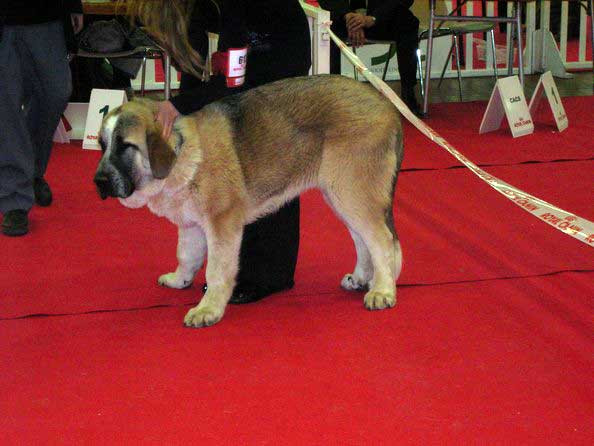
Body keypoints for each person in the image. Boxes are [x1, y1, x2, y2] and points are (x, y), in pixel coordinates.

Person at [126, 0, 311, 304]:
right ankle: (242, 266)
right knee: (240, 157)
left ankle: (269, 273)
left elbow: (231, 81)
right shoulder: (190, 8)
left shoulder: (230, 5)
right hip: (250, 41)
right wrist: (185, 111)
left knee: (267, 154)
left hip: (280, 51)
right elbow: (193, 69)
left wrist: (180, 107)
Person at [1, 0, 83, 236]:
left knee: (56, 92)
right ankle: (14, 198)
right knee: (6, 107)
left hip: (47, 16)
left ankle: (31, 171)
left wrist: (74, 4)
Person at [318, 0, 423, 116]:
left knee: (407, 21)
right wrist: (349, 17)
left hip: (382, 18)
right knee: (326, 24)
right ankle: (331, 93)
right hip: (343, 18)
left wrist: (372, 19)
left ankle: (408, 91)